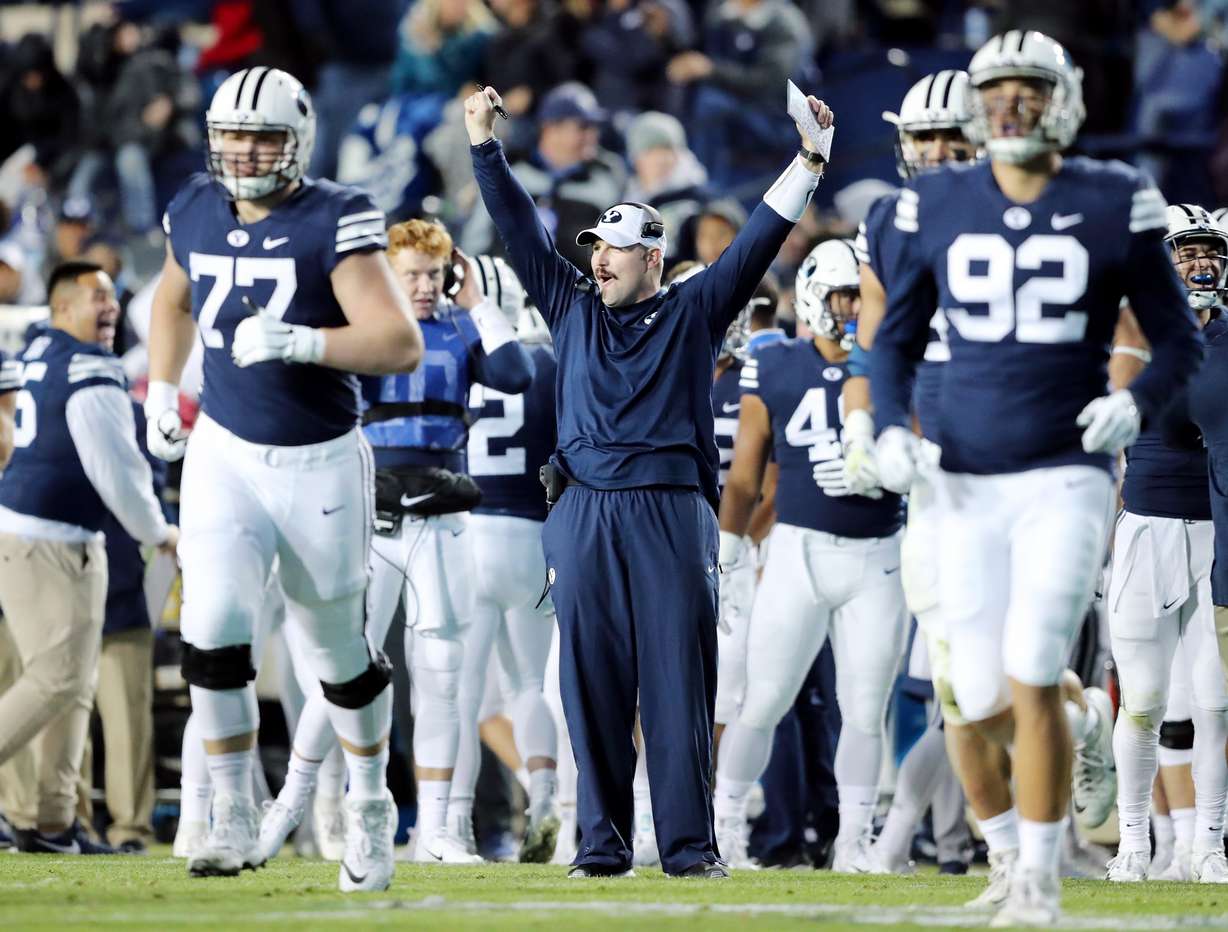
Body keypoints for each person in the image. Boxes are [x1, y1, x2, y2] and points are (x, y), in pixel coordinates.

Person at [869, 30, 1204, 924]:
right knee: (971, 698)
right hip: (958, 476)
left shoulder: (1114, 195)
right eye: (1000, 90)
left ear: (1063, 97)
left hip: (1065, 469)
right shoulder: (922, 209)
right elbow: (890, 341)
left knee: (1028, 663)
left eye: (1029, 89)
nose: (1013, 106)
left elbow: (1175, 335)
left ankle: (1040, 885)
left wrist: (1135, 402)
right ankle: (1073, 750)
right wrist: (882, 427)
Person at [465, 82, 833, 878]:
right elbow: (520, 227)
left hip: (670, 511)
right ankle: (600, 846)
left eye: (615, 246)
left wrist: (809, 162)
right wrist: (484, 146)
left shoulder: (695, 309)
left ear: (653, 257)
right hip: (584, 508)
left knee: (678, 685)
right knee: (589, 685)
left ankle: (691, 849)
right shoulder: (569, 305)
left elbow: (757, 243)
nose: (597, 255)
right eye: (596, 244)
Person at [144, 67, 423, 892]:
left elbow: (396, 341)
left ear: (297, 141)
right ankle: (230, 810)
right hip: (225, 450)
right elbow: (171, 299)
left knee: (334, 652)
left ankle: (369, 805)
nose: (243, 150)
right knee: (213, 628)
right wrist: (165, 387)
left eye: (262, 136)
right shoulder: (194, 205)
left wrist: (307, 344)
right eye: (231, 135)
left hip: (320, 457)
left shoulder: (334, 217)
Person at [256, 226, 532, 866]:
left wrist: (477, 303)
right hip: (370, 516)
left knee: (442, 676)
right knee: (344, 675)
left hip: (440, 516)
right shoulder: (367, 329)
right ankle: (291, 804)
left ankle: (435, 830)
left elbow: (515, 372)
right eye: (411, 275)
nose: (424, 288)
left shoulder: (460, 328)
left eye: (433, 275)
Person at [713, 239, 908, 872]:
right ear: (811, 296)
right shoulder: (774, 365)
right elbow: (745, 475)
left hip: (878, 551)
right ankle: (726, 828)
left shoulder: (894, 362)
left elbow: (924, 449)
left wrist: (893, 468)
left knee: (864, 706)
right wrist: (729, 544)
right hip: (796, 550)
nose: (853, 307)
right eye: (842, 294)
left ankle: (853, 838)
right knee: (763, 699)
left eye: (861, 293)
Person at [0, 261, 176, 854]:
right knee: (55, 678)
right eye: (95, 297)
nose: (109, 308)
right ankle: (43, 816)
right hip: (49, 542)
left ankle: (49, 822)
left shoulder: (38, 353)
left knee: (72, 685)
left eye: (111, 298)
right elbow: (117, 471)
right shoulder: (88, 367)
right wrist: (158, 531)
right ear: (62, 307)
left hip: (41, 537)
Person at [1106, 202, 1228, 883]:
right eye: (1184, 253)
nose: (1199, 264)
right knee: (1146, 699)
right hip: (1147, 525)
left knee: (1214, 702)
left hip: (1219, 532)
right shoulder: (1136, 333)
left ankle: (1208, 844)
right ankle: (1133, 844)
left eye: (1208, 251)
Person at [464, 298, 562, 863]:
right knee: (529, 685)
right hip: (530, 536)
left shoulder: (463, 353)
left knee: (461, 694)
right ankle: (546, 796)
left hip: (468, 533)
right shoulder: (551, 367)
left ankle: (446, 818)